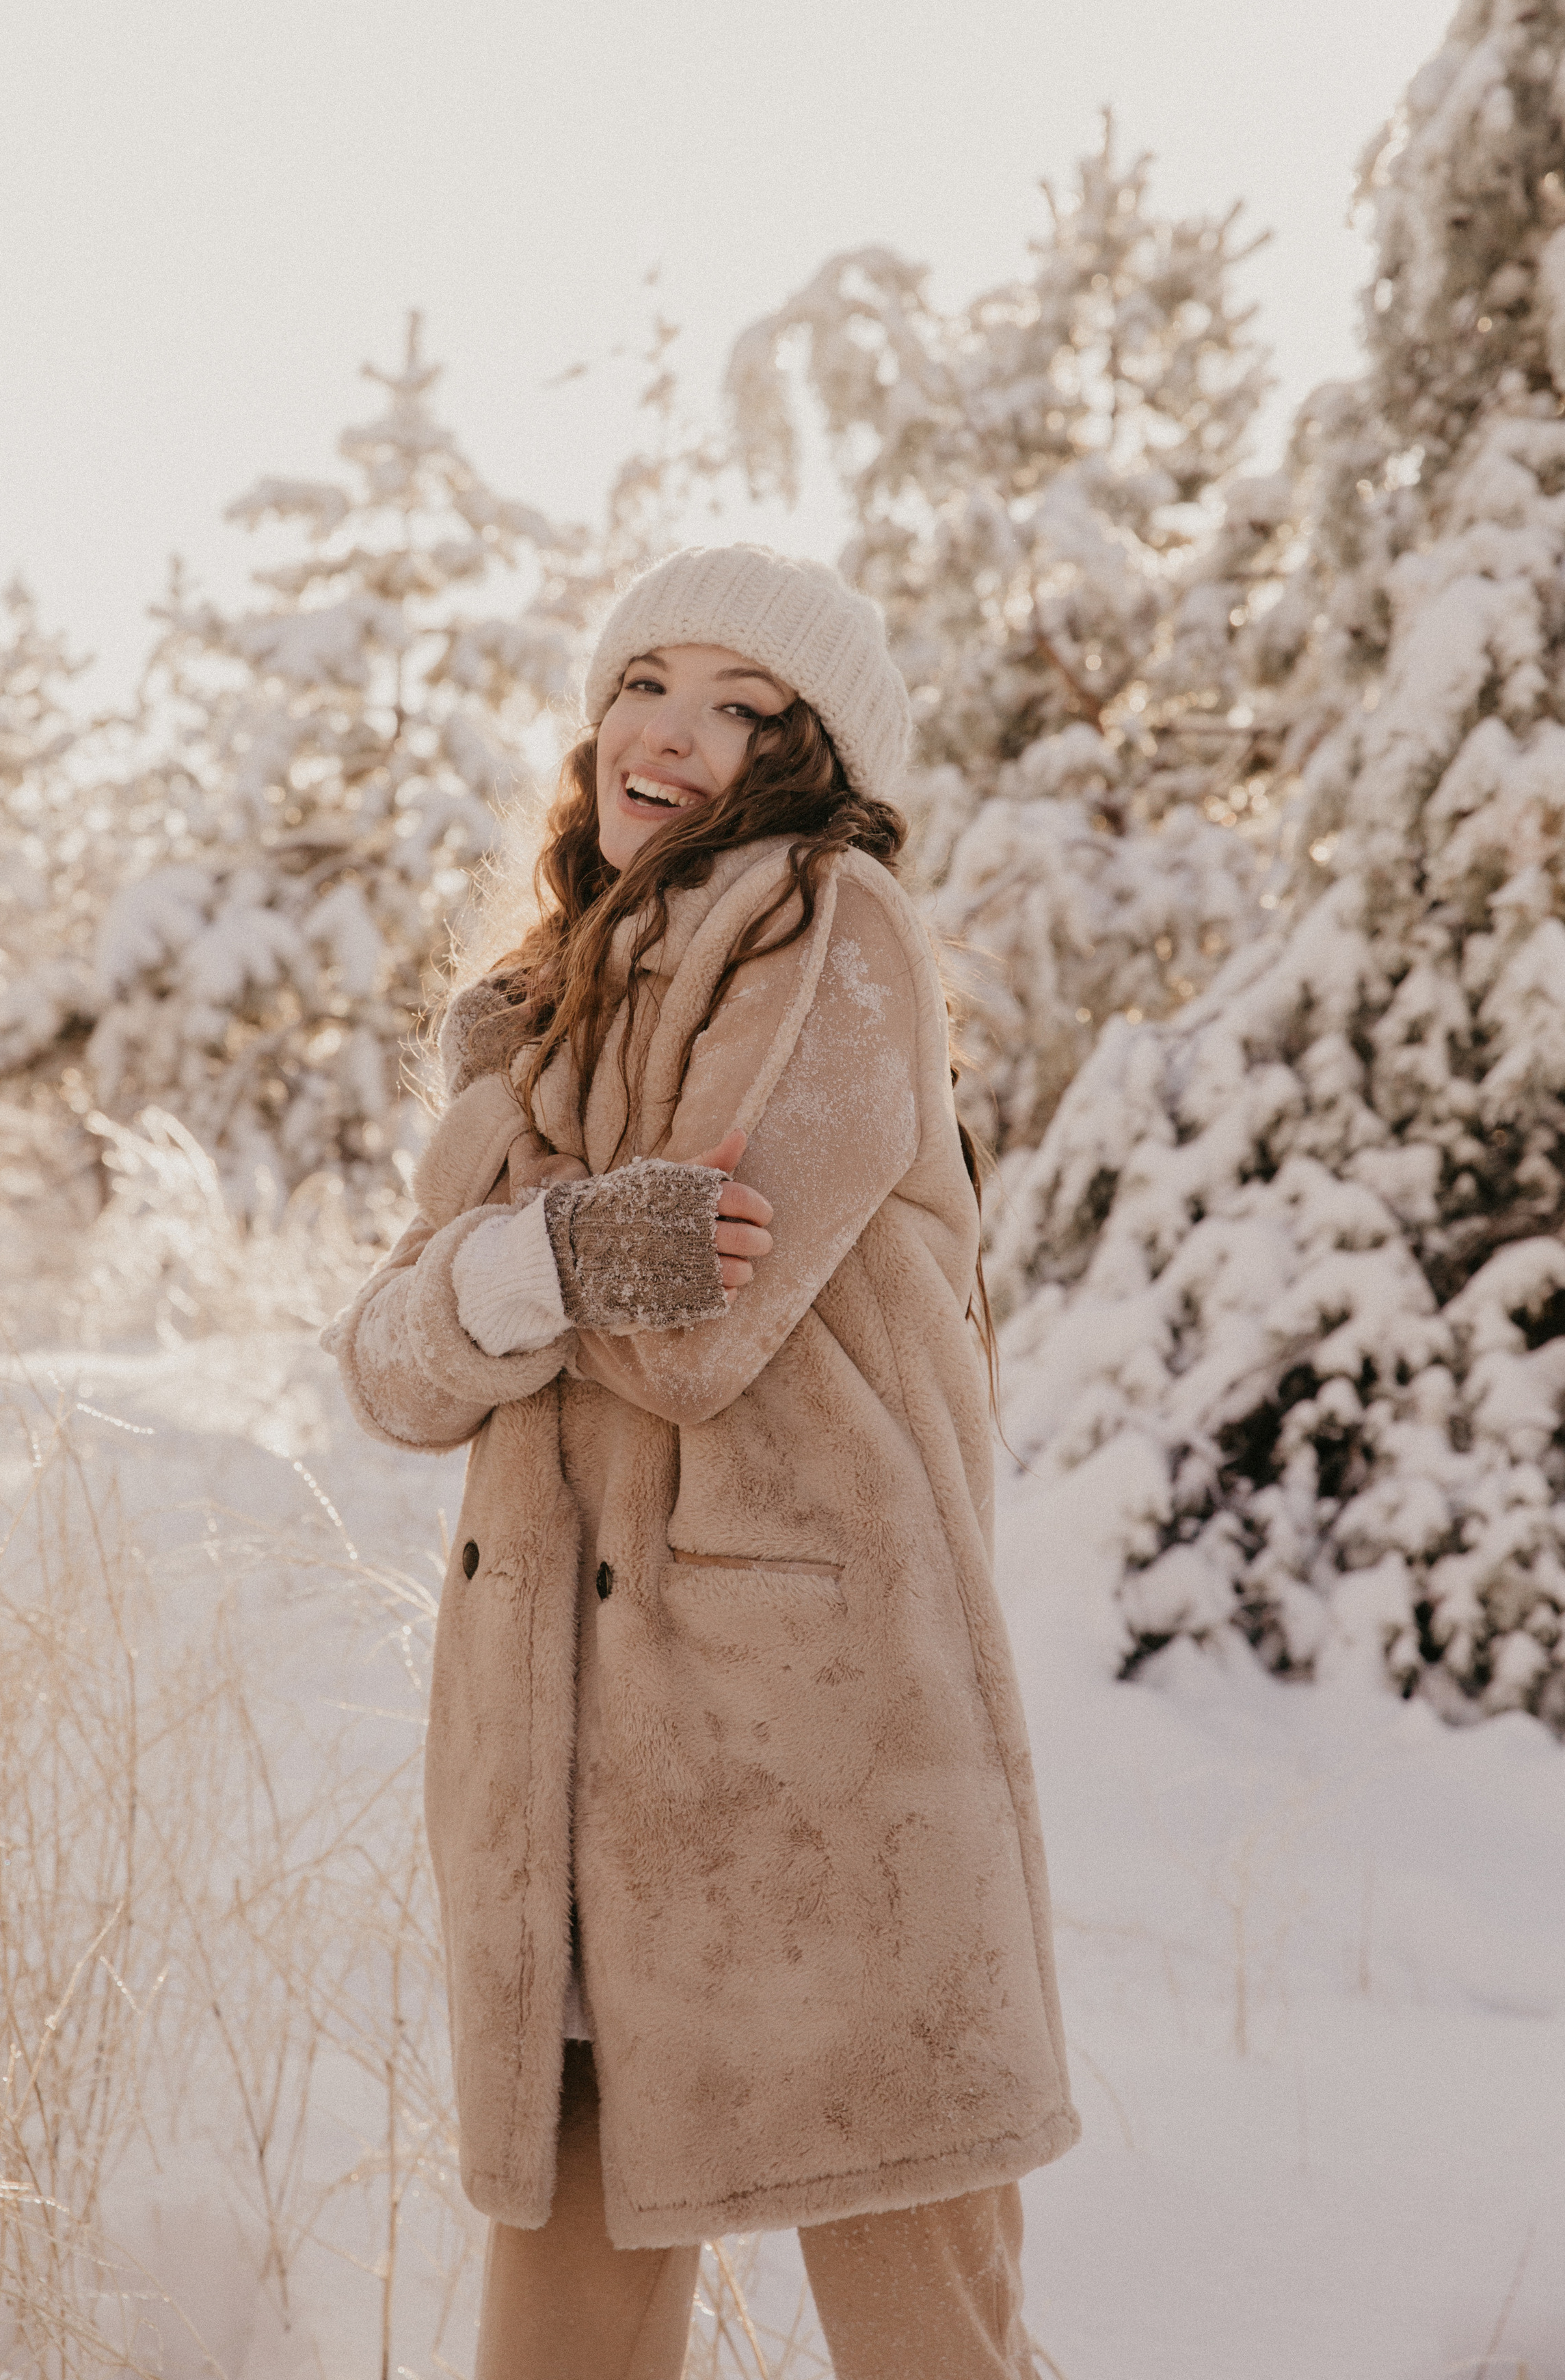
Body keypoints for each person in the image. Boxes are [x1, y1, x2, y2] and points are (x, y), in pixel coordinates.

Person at [324, 545, 1078, 2380]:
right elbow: (391, 1371)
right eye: (644, 683)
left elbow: (689, 1331)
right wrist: (539, 1262)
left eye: (739, 707)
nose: (667, 733)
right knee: (560, 2336)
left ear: (804, 759)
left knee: (923, 2321)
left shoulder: (836, 927)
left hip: (819, 1742)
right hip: (564, 1751)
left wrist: (502, 1273)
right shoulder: (538, 1002)